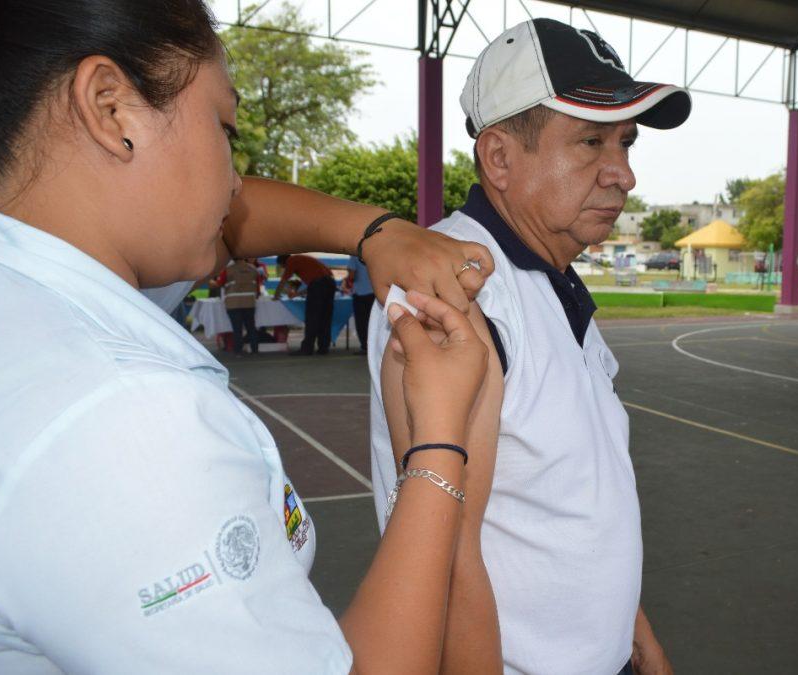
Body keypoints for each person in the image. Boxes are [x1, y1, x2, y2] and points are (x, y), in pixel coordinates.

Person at [0, 1, 501, 671]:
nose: (236, 179)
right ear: (111, 109)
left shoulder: (29, 282)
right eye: (223, 126)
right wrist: (437, 443)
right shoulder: (119, 419)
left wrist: (377, 230)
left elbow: (230, 223)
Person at [369, 18, 691, 675]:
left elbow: (580, 499)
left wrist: (634, 632)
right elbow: (447, 561)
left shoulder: (546, 277)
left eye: (627, 143)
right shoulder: (459, 292)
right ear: (499, 158)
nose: (623, 174)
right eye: (591, 141)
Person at [274, 253, 336, 354]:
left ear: (283, 263)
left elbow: (283, 280)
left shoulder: (291, 261)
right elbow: (314, 285)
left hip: (319, 285)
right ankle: (323, 347)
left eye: (282, 266)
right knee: (325, 317)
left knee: (312, 318)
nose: (284, 268)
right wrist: (297, 294)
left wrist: (276, 296)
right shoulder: (303, 260)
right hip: (330, 283)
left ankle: (307, 348)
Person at [222, 257, 261, 356]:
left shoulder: (228, 269)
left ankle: (238, 352)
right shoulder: (253, 269)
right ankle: (255, 350)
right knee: (251, 327)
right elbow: (258, 286)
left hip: (233, 303)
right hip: (249, 302)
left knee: (237, 329)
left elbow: (220, 283)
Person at [342, 255, 375, 354]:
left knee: (362, 323)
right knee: (372, 322)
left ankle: (365, 347)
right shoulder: (372, 253)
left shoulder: (354, 256)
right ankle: (374, 347)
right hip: (374, 293)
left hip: (361, 293)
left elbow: (352, 275)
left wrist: (346, 282)